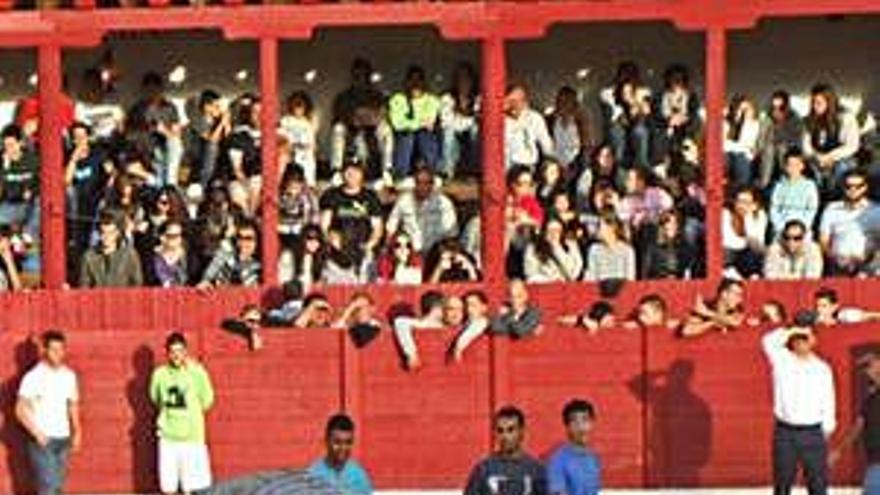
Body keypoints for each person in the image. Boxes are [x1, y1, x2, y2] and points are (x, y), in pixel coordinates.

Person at [761, 311, 835, 495]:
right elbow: (767, 341)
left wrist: (825, 432)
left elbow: (828, 402)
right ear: (791, 340)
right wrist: (793, 329)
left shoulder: (822, 368)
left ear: (814, 340)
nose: (802, 341)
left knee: (818, 488)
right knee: (782, 487)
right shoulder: (782, 359)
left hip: (813, 433)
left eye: (806, 337)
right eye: (798, 338)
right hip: (786, 432)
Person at [16, 330, 81, 495]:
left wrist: (78, 431)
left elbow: (72, 405)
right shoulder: (33, 377)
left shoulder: (69, 376)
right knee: (48, 488)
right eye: (53, 350)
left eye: (61, 349)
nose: (58, 354)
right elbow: (20, 409)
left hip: (63, 438)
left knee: (58, 487)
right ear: (44, 351)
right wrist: (37, 434)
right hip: (43, 440)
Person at [149, 332, 215, 495]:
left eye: (179, 351)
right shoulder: (159, 374)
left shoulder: (197, 372)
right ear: (167, 353)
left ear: (186, 352)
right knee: (168, 487)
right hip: (168, 437)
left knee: (192, 488)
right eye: (172, 351)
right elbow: (155, 398)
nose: (176, 355)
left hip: (192, 438)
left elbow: (207, 400)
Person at [464, 405, 547, 495]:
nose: (505, 436)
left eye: (510, 430)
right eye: (500, 430)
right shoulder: (483, 470)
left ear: (521, 431)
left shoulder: (536, 470)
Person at [828, 352, 880, 494]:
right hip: (875, 462)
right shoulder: (870, 400)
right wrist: (838, 450)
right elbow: (857, 428)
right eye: (865, 368)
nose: (869, 370)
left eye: (871, 364)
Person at [309, 413, 373, 495]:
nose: (343, 448)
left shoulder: (358, 475)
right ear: (326, 441)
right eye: (337, 442)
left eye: (348, 442)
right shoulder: (314, 475)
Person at [546, 399, 601, 495]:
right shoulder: (558, 461)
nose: (581, 427)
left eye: (585, 420)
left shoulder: (594, 459)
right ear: (567, 427)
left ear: (592, 424)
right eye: (574, 422)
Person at [78, 209, 143, 288]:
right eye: (102, 232)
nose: (105, 237)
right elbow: (84, 287)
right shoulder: (89, 257)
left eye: (110, 233)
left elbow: (137, 286)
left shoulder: (130, 255)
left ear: (118, 233)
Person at [504, 84, 554, 171]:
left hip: (530, 166)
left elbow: (546, 144)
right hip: (509, 168)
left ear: (525, 101)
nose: (514, 105)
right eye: (511, 101)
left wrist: (551, 162)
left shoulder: (535, 118)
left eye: (518, 101)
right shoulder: (501, 121)